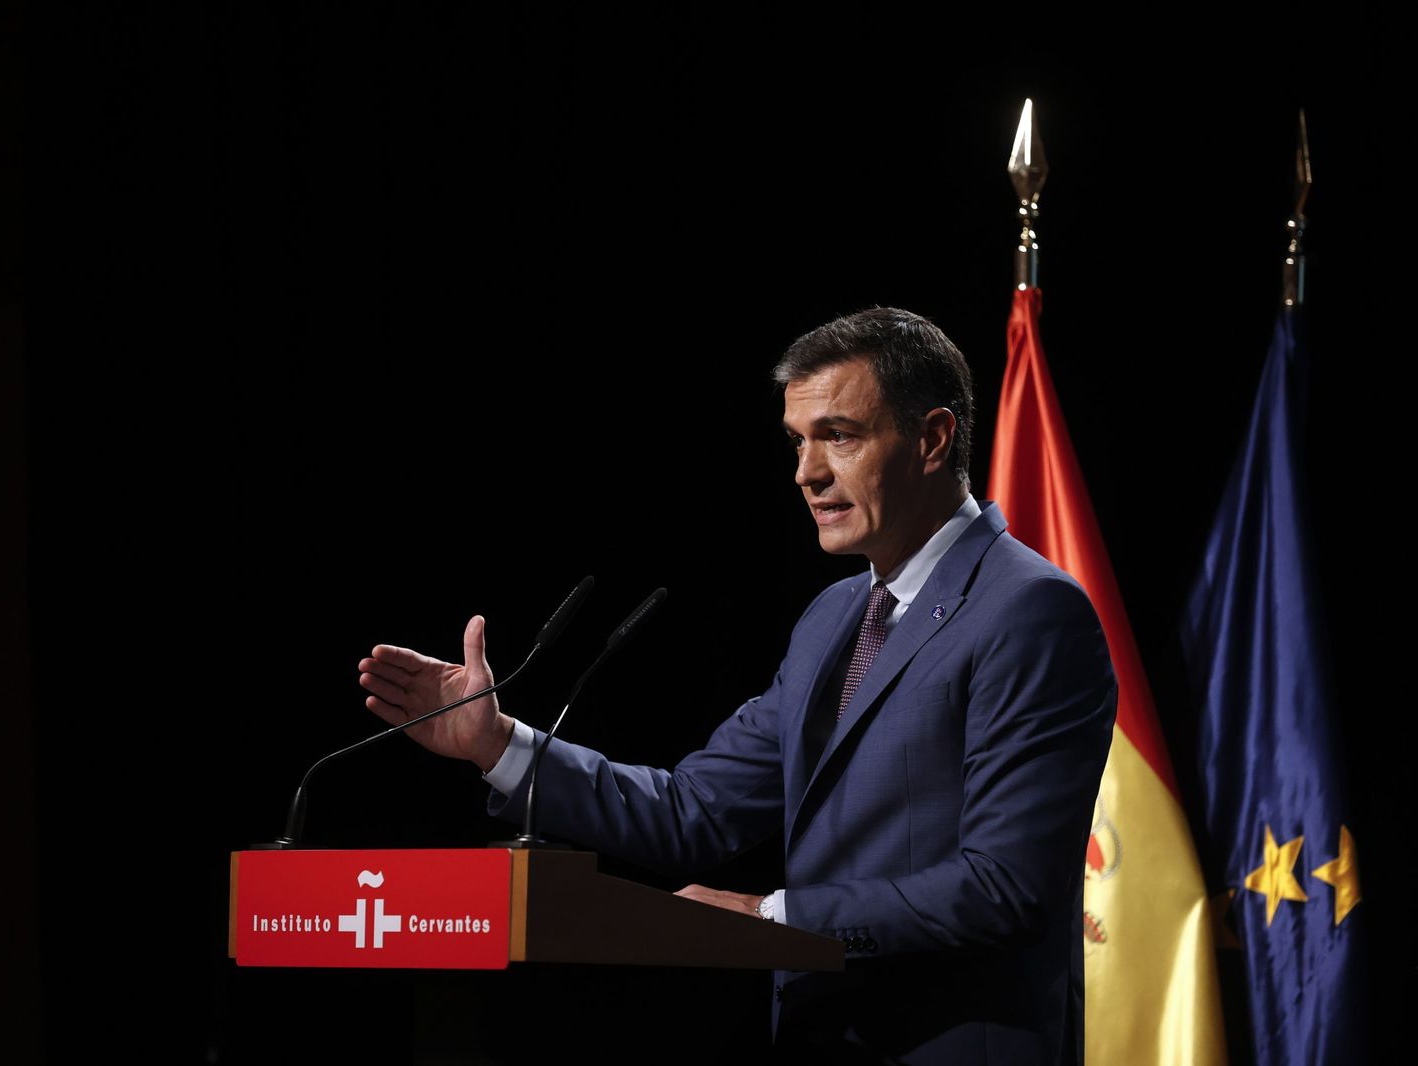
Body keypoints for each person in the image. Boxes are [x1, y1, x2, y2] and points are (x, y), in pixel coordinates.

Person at [358, 307, 1116, 1063]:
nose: (806, 473)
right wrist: (499, 745)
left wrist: (773, 914)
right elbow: (694, 812)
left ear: (932, 439)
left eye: (839, 436)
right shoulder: (834, 616)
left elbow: (1005, 886)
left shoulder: (1028, 611)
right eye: (797, 442)